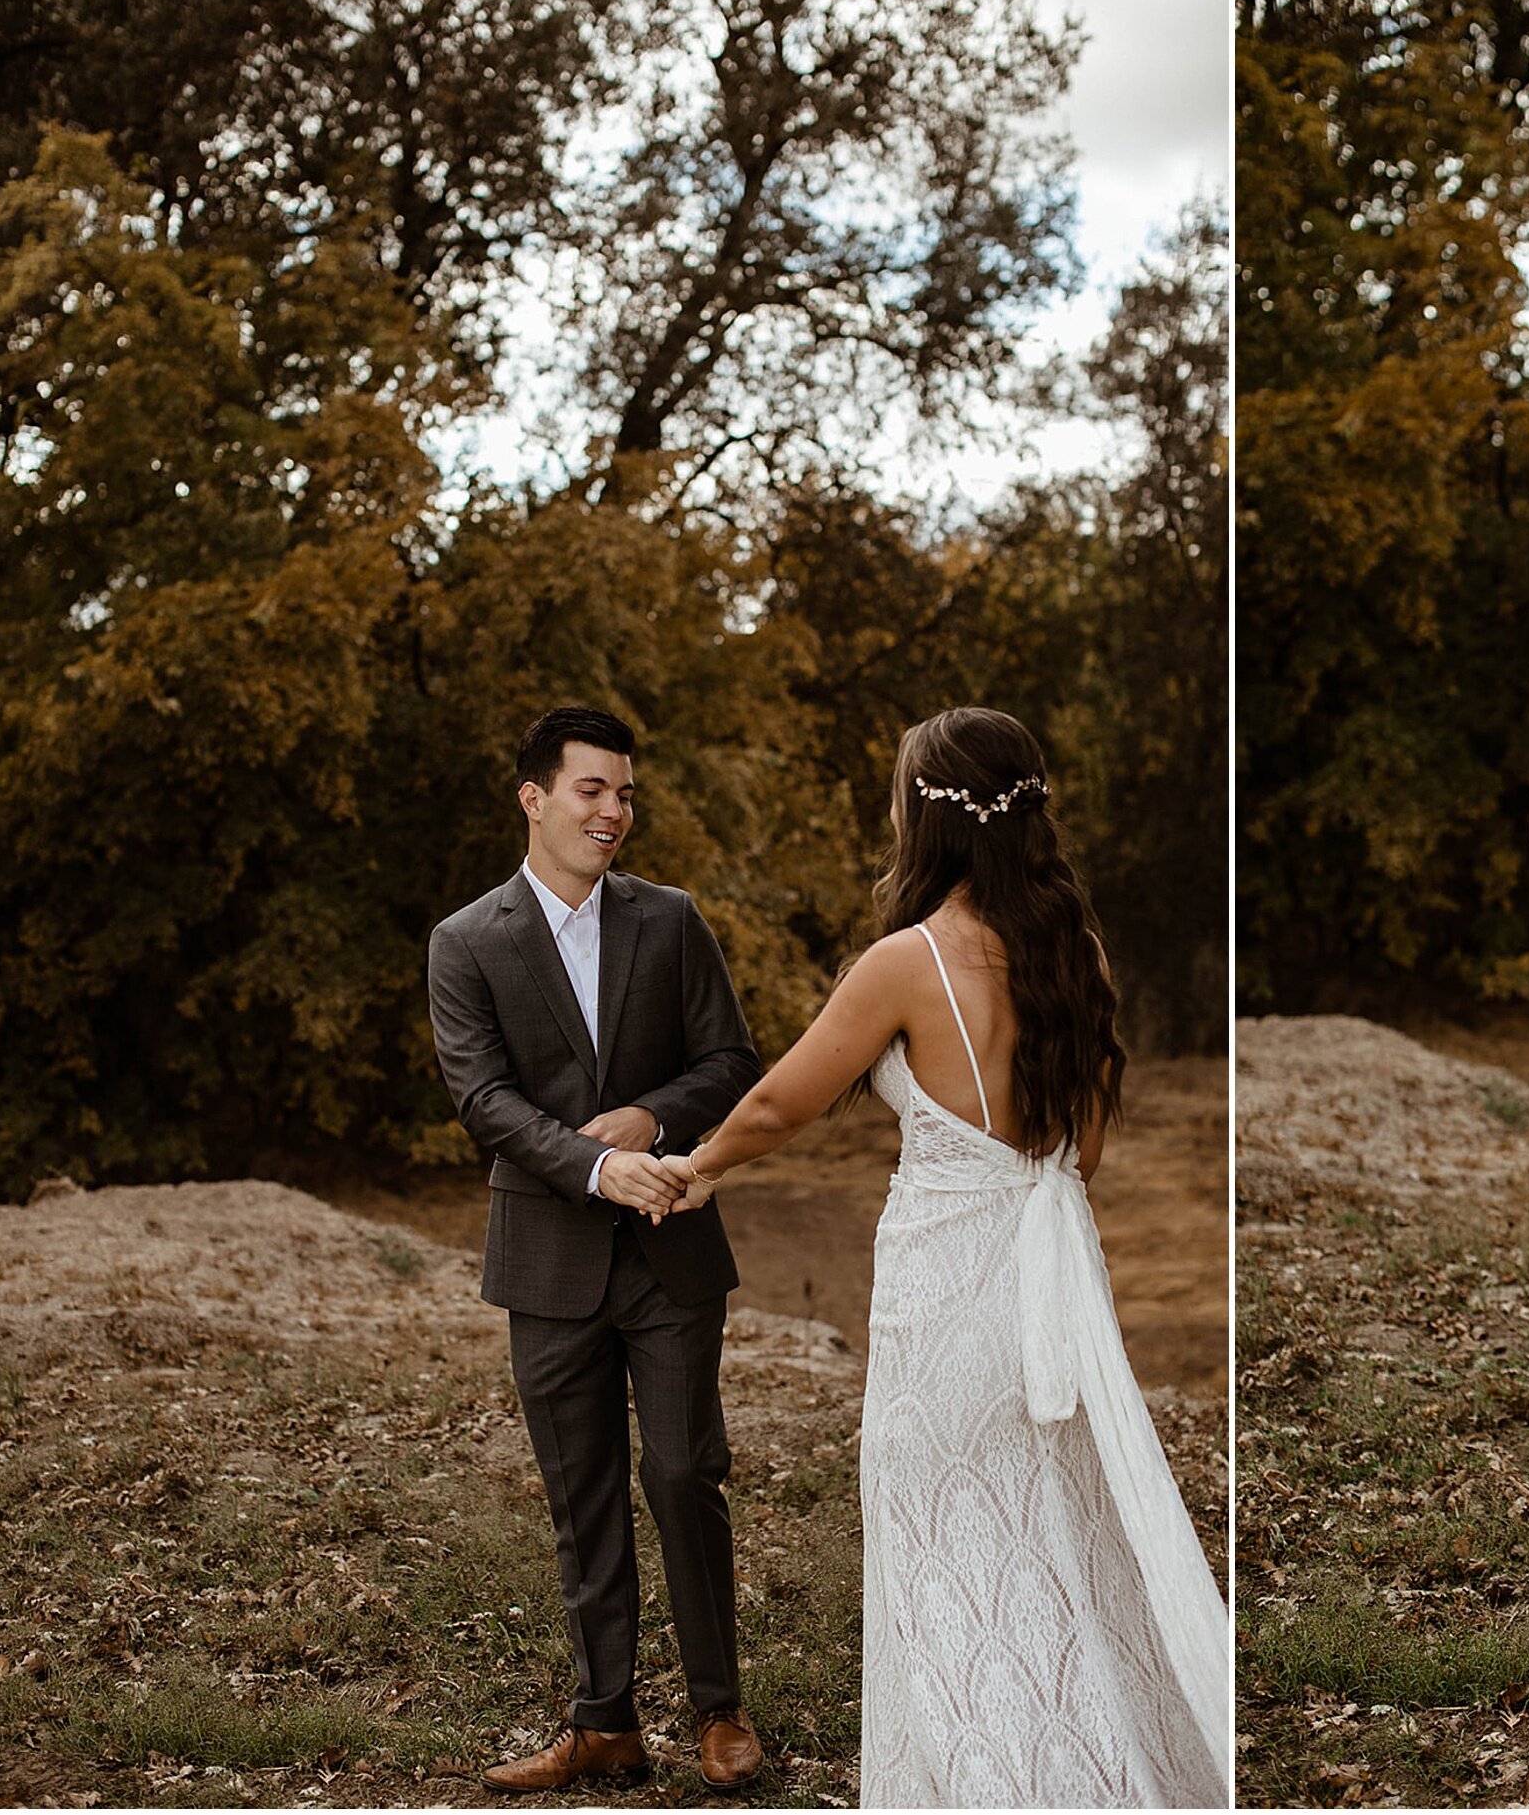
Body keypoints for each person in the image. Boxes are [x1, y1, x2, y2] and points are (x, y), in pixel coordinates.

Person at [668, 705, 1229, 1808]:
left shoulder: (906, 961)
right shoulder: (1076, 948)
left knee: (945, 1535)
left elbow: (786, 1097)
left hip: (949, 1284)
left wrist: (699, 1166)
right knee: (1054, 1528)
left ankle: (987, 1773)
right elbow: (1090, 1146)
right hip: (1054, 1275)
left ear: (925, 817)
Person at [426, 705, 767, 1792]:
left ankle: (719, 1708)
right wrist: (588, 1164)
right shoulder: (467, 940)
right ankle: (604, 1720)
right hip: (549, 1257)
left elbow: (731, 1060)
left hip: (671, 1245)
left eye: (625, 792)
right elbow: (480, 1096)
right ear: (534, 797)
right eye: (593, 791)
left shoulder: (671, 920)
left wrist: (648, 1122)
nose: (615, 811)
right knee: (581, 1491)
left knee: (681, 1473)